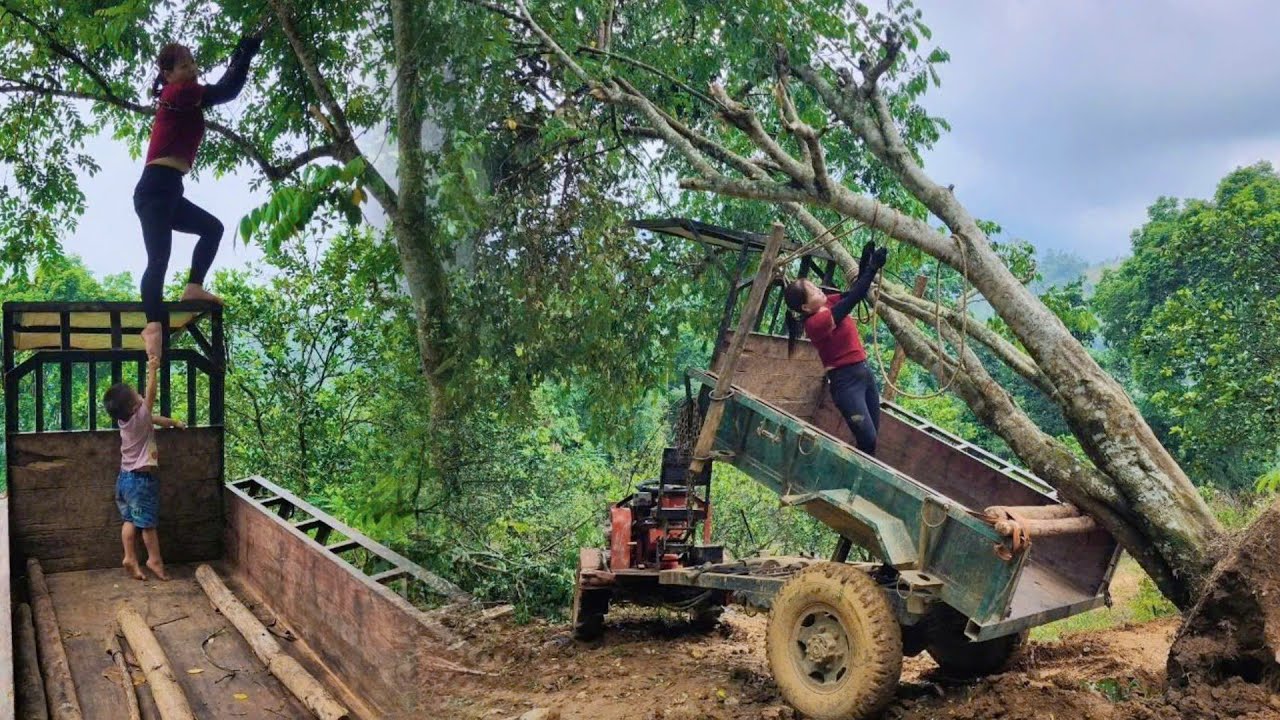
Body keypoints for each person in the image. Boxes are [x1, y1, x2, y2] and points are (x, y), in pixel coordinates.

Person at [135, 22, 267, 358]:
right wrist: (245, 51)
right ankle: (152, 327)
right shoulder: (176, 93)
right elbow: (226, 91)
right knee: (158, 260)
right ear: (167, 74)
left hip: (169, 189)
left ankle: (193, 286)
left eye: (193, 63)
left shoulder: (184, 97)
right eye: (183, 66)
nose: (192, 69)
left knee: (212, 229)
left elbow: (221, 89)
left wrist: (243, 52)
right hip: (155, 189)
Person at [783, 241, 888, 455]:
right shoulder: (814, 323)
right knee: (867, 438)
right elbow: (854, 299)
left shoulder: (827, 303)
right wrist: (872, 268)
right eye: (812, 290)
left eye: (813, 284)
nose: (817, 288)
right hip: (846, 382)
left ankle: (856, 481)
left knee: (872, 437)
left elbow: (853, 293)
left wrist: (865, 260)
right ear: (804, 307)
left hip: (864, 373)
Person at [103, 357, 187, 581]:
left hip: (124, 481)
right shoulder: (139, 416)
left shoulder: (128, 421)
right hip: (141, 482)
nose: (140, 394)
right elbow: (151, 395)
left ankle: (130, 557)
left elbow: (156, 419)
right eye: (135, 394)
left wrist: (175, 423)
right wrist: (152, 368)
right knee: (148, 524)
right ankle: (154, 560)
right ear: (134, 407)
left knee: (130, 520)